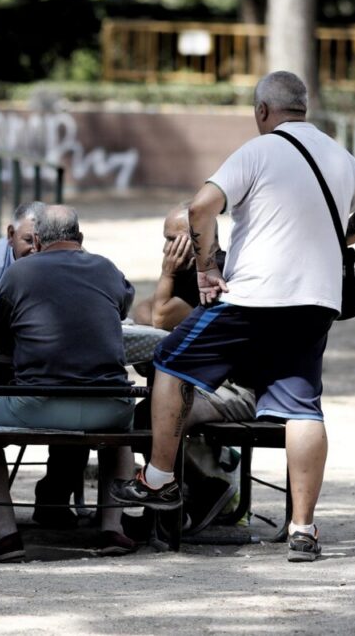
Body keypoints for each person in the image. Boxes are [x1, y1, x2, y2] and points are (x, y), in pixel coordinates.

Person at [110, 71, 355, 562]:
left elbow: (201, 208)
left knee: (170, 361)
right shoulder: (335, 153)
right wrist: (335, 241)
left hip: (255, 297)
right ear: (303, 107)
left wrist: (204, 270)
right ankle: (303, 530)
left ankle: (157, 479)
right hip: (316, 300)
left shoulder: (258, 150)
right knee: (303, 406)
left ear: (262, 111)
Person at [0, 205, 138, 561]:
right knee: (120, 436)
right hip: (108, 405)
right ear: (80, 238)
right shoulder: (107, 268)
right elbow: (122, 307)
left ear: (40, 240)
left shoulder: (19, 272)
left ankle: (5, 533)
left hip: (39, 403)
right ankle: (113, 528)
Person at [0, 201, 92, 529]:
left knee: (78, 393)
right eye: (28, 241)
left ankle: (54, 498)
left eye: (42, 241)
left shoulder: (60, 263)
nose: (36, 249)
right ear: (10, 235)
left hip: (47, 369)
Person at [130, 206, 256, 533]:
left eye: (174, 240)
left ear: (201, 237)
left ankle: (199, 493)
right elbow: (143, 309)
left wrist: (167, 275)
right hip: (205, 384)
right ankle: (182, 499)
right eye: (165, 240)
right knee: (148, 411)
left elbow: (158, 317)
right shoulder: (193, 272)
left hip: (236, 389)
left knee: (148, 418)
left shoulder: (221, 273)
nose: (166, 249)